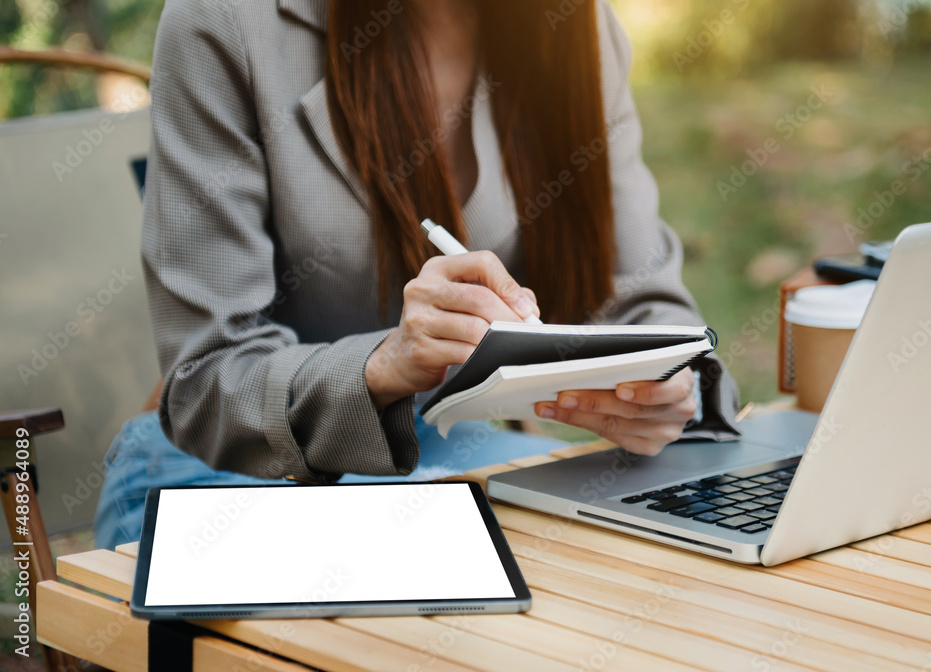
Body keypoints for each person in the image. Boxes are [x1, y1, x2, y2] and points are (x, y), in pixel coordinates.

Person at [94, 0, 741, 549]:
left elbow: (646, 302)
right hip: (230, 476)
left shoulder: (573, 26)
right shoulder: (225, 22)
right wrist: (382, 365)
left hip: (456, 466)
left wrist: (675, 387)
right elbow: (208, 377)